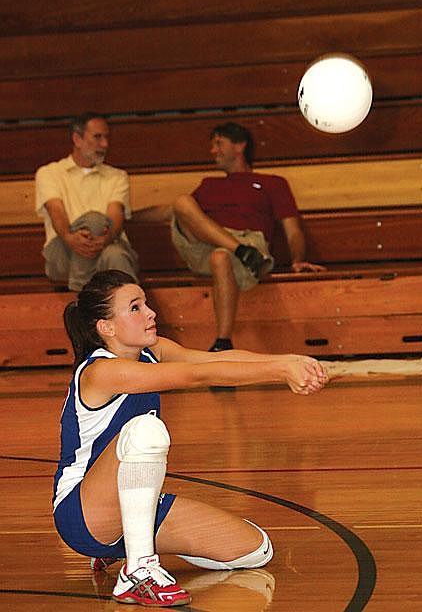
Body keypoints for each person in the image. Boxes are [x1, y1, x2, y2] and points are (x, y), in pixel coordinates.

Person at [53, 269, 328, 607]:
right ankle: (138, 573)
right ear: (106, 327)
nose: (151, 312)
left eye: (146, 303)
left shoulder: (154, 351)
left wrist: (286, 360)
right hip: (83, 513)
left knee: (255, 549)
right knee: (146, 431)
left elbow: (216, 360)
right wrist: (279, 371)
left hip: (128, 510)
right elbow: (196, 375)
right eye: (135, 307)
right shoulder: (102, 371)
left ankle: (123, 548)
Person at [170, 122, 326, 352]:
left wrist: (297, 259)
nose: (213, 151)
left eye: (218, 143)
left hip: (247, 243)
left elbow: (292, 229)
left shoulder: (272, 183)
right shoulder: (208, 185)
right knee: (182, 202)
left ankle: (223, 342)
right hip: (212, 246)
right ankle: (239, 250)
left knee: (220, 258)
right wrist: (126, 216)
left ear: (240, 146)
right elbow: (174, 212)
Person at [35, 112, 139, 292]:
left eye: (107, 137)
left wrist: (105, 239)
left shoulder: (117, 176)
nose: (105, 144)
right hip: (63, 250)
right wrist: (70, 237)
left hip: (107, 245)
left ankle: (81, 293)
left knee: (116, 255)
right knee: (94, 220)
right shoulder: (49, 173)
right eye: (98, 137)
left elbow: (115, 214)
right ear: (77, 139)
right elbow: (56, 211)